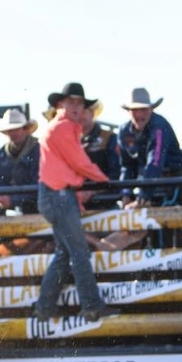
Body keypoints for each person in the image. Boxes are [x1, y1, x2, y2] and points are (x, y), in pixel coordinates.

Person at [32, 83, 118, 322]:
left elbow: (71, 164)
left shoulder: (57, 127)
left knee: (63, 253)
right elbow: (80, 162)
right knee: (79, 252)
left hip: (53, 195)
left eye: (79, 103)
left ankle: (44, 308)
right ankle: (91, 306)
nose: (76, 107)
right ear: (62, 104)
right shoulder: (64, 128)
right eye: (72, 102)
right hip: (59, 196)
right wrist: (105, 180)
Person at [117, 88, 182, 208]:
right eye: (134, 110)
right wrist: (125, 194)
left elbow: (155, 162)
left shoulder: (160, 126)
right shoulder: (124, 131)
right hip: (146, 185)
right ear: (129, 111)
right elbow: (127, 166)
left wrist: (142, 197)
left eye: (143, 109)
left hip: (173, 185)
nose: (139, 115)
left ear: (151, 109)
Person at [0, 108, 40, 214]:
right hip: (8, 210)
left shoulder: (39, 151)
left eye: (16, 129)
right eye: (10, 130)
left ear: (25, 129)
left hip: (35, 210)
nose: (13, 133)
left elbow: (38, 185)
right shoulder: (0, 154)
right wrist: (0, 197)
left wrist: (12, 200)